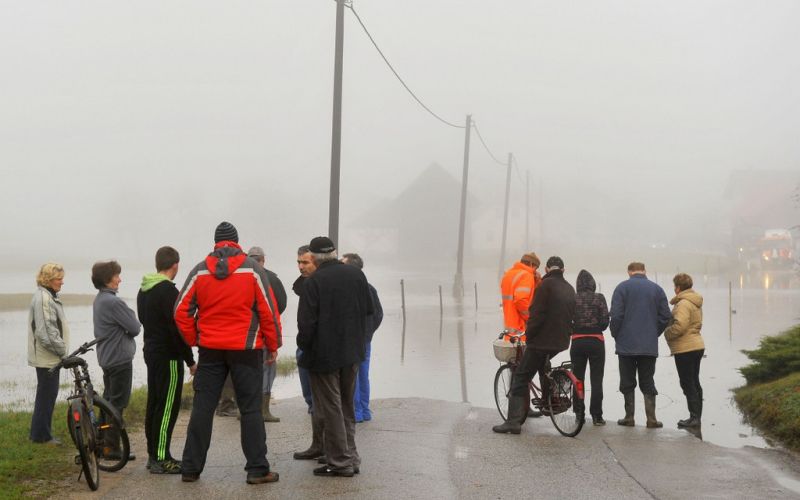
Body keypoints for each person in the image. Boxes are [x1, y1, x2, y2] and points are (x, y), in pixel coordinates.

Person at [175, 222, 282, 485]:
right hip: (246, 350)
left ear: (215, 242)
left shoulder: (200, 270)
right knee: (251, 410)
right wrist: (273, 345)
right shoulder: (253, 269)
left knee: (202, 408)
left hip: (210, 350)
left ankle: (190, 468)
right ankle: (257, 469)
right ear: (237, 241)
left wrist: (194, 338)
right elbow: (268, 311)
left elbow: (180, 311)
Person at [297, 236, 373, 477]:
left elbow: (306, 325)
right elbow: (368, 310)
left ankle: (340, 462)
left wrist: (304, 347)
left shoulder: (313, 282)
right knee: (347, 405)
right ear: (334, 253)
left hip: (324, 355)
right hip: (352, 351)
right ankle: (351, 457)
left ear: (314, 257)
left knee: (330, 408)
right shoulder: (356, 275)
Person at [493, 256, 576, 434]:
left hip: (541, 342)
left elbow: (536, 315)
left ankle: (513, 422)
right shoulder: (569, 288)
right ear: (563, 270)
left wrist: (529, 336)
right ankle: (547, 401)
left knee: (520, 378)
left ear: (546, 269)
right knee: (543, 366)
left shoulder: (544, 286)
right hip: (562, 342)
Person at [138, 246, 196, 474]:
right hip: (169, 356)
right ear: (175, 265)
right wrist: (190, 360)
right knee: (168, 407)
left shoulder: (144, 289)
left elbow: (143, 319)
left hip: (151, 352)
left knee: (154, 404)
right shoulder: (169, 292)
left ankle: (153, 455)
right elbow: (177, 329)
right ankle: (162, 458)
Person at [610, 262, 671, 428]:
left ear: (629, 272)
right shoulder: (657, 289)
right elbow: (666, 316)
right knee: (647, 381)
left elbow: (616, 316)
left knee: (627, 381)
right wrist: (654, 332)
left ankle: (629, 417)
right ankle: (651, 419)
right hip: (648, 346)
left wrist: (616, 334)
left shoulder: (621, 288)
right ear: (645, 271)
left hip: (626, 345)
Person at [28, 263, 70, 445]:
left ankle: (40, 434)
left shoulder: (48, 296)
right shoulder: (44, 299)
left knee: (47, 394)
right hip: (47, 358)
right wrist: (63, 353)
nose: (62, 282)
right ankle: (41, 436)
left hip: (49, 357)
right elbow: (46, 333)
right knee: (46, 395)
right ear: (48, 279)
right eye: (59, 279)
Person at [341, 253, 383, 423]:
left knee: (353, 374)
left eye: (342, 264)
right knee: (363, 374)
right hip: (365, 339)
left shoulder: (349, 289)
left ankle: (356, 411)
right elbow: (378, 314)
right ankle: (365, 410)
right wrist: (369, 332)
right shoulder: (369, 287)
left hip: (354, 339)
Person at [292, 244, 325, 461]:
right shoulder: (306, 284)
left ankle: (328, 446)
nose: (300, 267)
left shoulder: (323, 284)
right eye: (298, 262)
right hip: (306, 347)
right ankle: (318, 444)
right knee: (311, 399)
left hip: (320, 348)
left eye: (305, 262)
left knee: (324, 400)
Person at [247, 245, 287, 423]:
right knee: (267, 369)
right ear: (263, 260)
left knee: (245, 371)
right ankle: (263, 410)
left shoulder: (240, 276)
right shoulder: (270, 278)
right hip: (264, 331)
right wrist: (274, 342)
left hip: (244, 334)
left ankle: (244, 408)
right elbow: (281, 304)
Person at [664, 273, 705, 428]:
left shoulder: (683, 304)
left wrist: (667, 333)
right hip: (697, 345)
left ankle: (694, 418)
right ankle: (696, 417)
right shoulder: (695, 301)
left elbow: (680, 325)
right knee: (694, 381)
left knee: (687, 383)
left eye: (675, 286)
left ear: (678, 288)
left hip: (685, 348)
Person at [570, 269, 609, 426]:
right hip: (596, 342)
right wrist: (596, 327)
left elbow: (567, 320)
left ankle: (579, 414)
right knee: (597, 380)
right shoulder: (599, 298)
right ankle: (597, 416)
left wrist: (576, 329)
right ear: (592, 283)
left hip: (577, 342)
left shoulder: (573, 299)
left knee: (577, 379)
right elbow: (605, 322)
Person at [500, 252, 541, 337]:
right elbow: (520, 300)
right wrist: (531, 318)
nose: (535, 271)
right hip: (521, 330)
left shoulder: (508, 274)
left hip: (509, 330)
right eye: (535, 268)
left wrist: (536, 282)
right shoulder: (527, 275)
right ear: (531, 264)